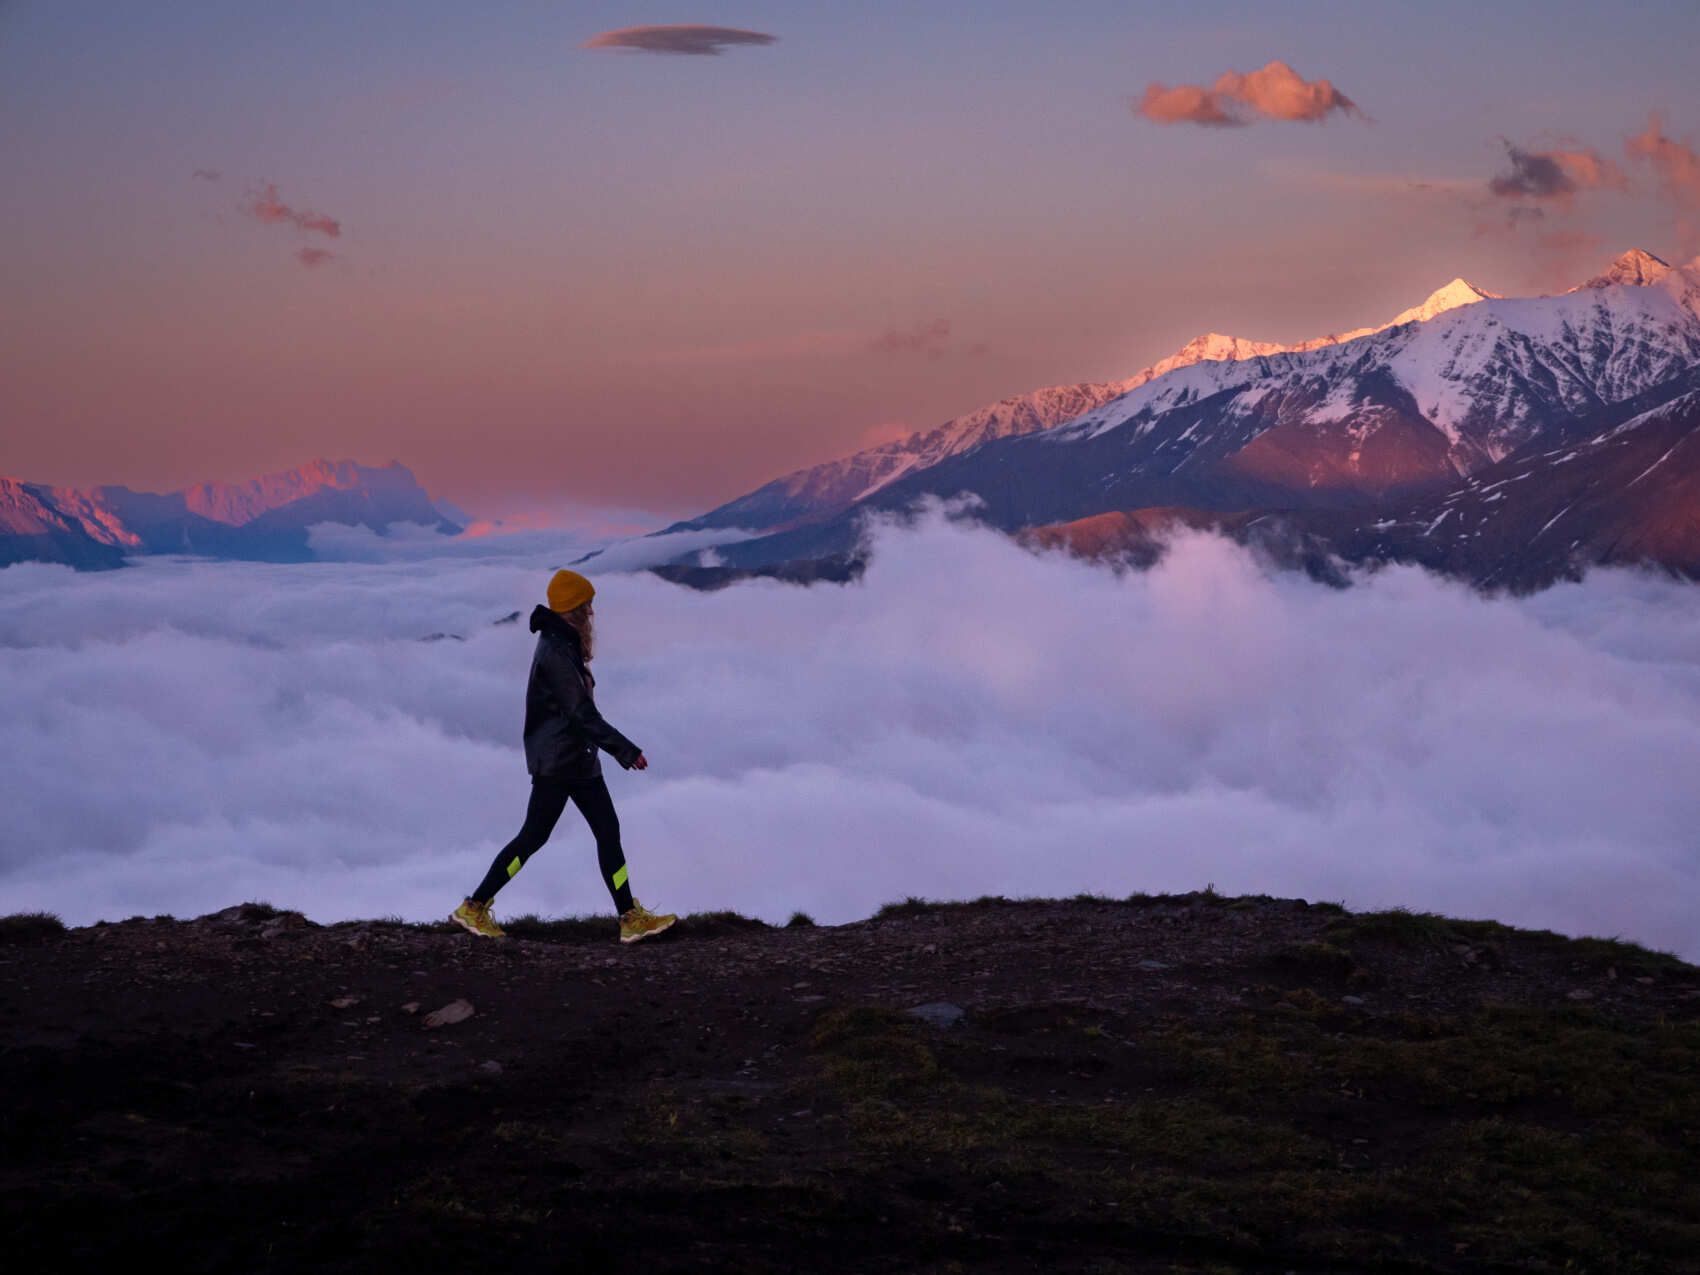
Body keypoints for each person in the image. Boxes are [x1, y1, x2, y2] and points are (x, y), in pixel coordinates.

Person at [451, 569, 677, 944]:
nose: (591, 614)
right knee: (533, 838)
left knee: (607, 832)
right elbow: (581, 714)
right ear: (573, 610)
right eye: (587, 607)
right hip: (558, 763)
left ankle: (629, 916)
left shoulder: (563, 642)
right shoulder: (556, 651)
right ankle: (474, 906)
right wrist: (626, 750)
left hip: (577, 759)